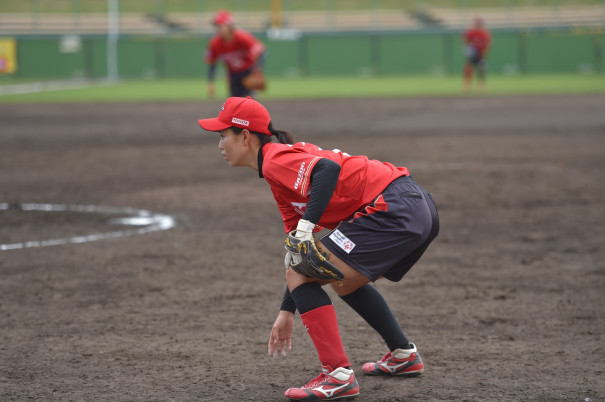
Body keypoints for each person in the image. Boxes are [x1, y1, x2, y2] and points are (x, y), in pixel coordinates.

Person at [198, 96, 439, 401]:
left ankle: (338, 375)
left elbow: (325, 169)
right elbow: (300, 262)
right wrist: (286, 310)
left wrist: (307, 224)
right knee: (334, 276)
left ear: (245, 136)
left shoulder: (275, 158)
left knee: (312, 274)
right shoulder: (278, 178)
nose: (220, 145)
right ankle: (403, 355)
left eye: (223, 136)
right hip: (413, 205)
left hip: (394, 206)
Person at [204, 10, 267, 98]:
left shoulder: (242, 37)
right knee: (234, 101)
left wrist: (257, 71)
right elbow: (212, 63)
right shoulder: (215, 43)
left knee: (249, 101)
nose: (218, 28)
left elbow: (261, 51)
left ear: (229, 26)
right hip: (232, 74)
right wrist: (210, 82)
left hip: (247, 72)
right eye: (216, 26)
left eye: (220, 25)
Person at [462, 16, 492, 92]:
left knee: (481, 69)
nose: (478, 25)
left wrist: (484, 54)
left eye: (479, 24)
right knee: (468, 67)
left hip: (481, 53)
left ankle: (481, 85)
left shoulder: (484, 33)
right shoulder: (471, 32)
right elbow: (465, 40)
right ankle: (467, 85)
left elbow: (488, 43)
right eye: (477, 24)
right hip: (473, 52)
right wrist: (468, 49)